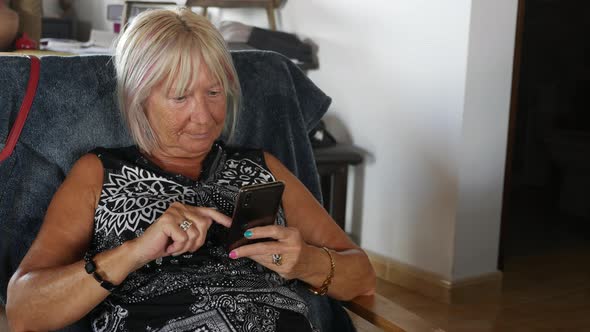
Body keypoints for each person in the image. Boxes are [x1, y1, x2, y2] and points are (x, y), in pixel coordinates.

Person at [6, 8, 375, 332]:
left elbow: (362, 276)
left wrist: (305, 262)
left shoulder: (262, 167)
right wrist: (134, 252)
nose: (204, 116)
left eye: (214, 93)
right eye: (180, 97)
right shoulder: (98, 173)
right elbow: (24, 311)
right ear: (139, 96)